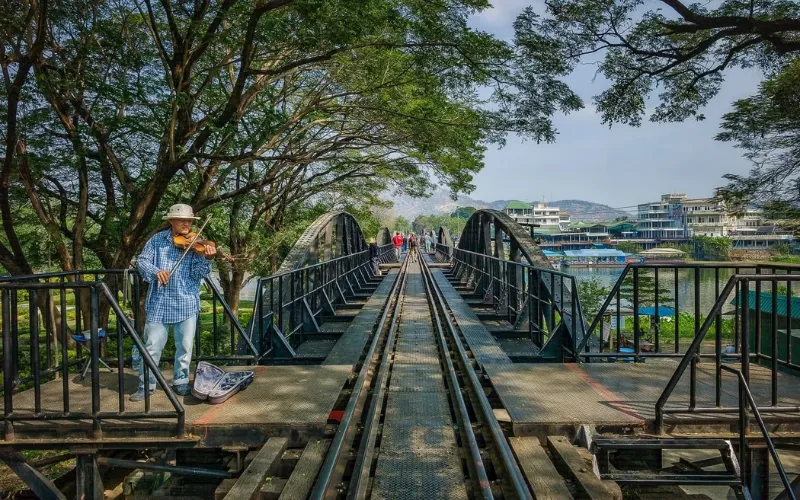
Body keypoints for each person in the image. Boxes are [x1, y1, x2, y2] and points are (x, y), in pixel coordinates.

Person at [132, 204, 217, 401]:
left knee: (185, 347)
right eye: (182, 220)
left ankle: (180, 382)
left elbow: (198, 275)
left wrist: (207, 259)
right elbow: (142, 261)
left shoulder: (196, 244)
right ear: (171, 221)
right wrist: (156, 271)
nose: (186, 224)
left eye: (189, 221)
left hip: (186, 301)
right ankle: (147, 384)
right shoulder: (156, 241)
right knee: (152, 345)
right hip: (159, 301)